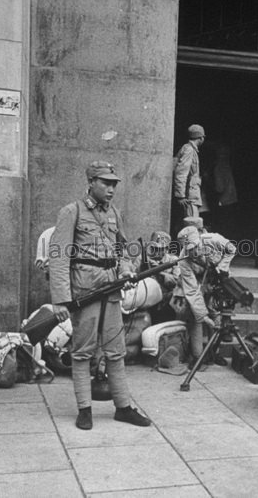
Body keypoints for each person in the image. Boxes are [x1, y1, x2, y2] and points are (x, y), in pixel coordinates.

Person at [48, 160, 151, 430]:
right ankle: (84, 409)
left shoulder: (114, 213)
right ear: (91, 182)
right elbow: (58, 258)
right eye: (105, 183)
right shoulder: (72, 212)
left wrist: (127, 270)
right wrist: (61, 300)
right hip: (86, 291)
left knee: (116, 351)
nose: (111, 188)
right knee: (82, 352)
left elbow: (126, 250)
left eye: (114, 183)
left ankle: (123, 407)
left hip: (112, 291)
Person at [175, 226, 236, 368]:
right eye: (189, 249)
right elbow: (192, 291)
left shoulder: (213, 239)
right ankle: (198, 356)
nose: (194, 251)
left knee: (215, 310)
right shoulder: (183, 260)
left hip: (219, 275)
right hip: (199, 282)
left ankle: (214, 352)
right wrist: (202, 316)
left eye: (195, 246)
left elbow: (231, 249)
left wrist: (222, 267)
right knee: (197, 314)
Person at [171, 124, 205, 237]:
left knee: (187, 226)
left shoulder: (189, 149)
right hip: (189, 196)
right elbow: (181, 172)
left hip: (190, 194)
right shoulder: (189, 150)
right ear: (201, 138)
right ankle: (191, 253)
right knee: (192, 227)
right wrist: (180, 195)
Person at [145, 230, 180, 324]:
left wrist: (158, 271)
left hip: (167, 303)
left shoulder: (173, 260)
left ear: (166, 249)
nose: (156, 251)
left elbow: (176, 282)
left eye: (159, 249)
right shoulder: (145, 259)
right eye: (154, 248)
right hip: (149, 302)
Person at [213, 143, 238, 240]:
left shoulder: (219, 167)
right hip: (232, 199)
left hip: (223, 201)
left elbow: (220, 188)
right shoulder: (228, 166)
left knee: (222, 228)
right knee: (230, 227)